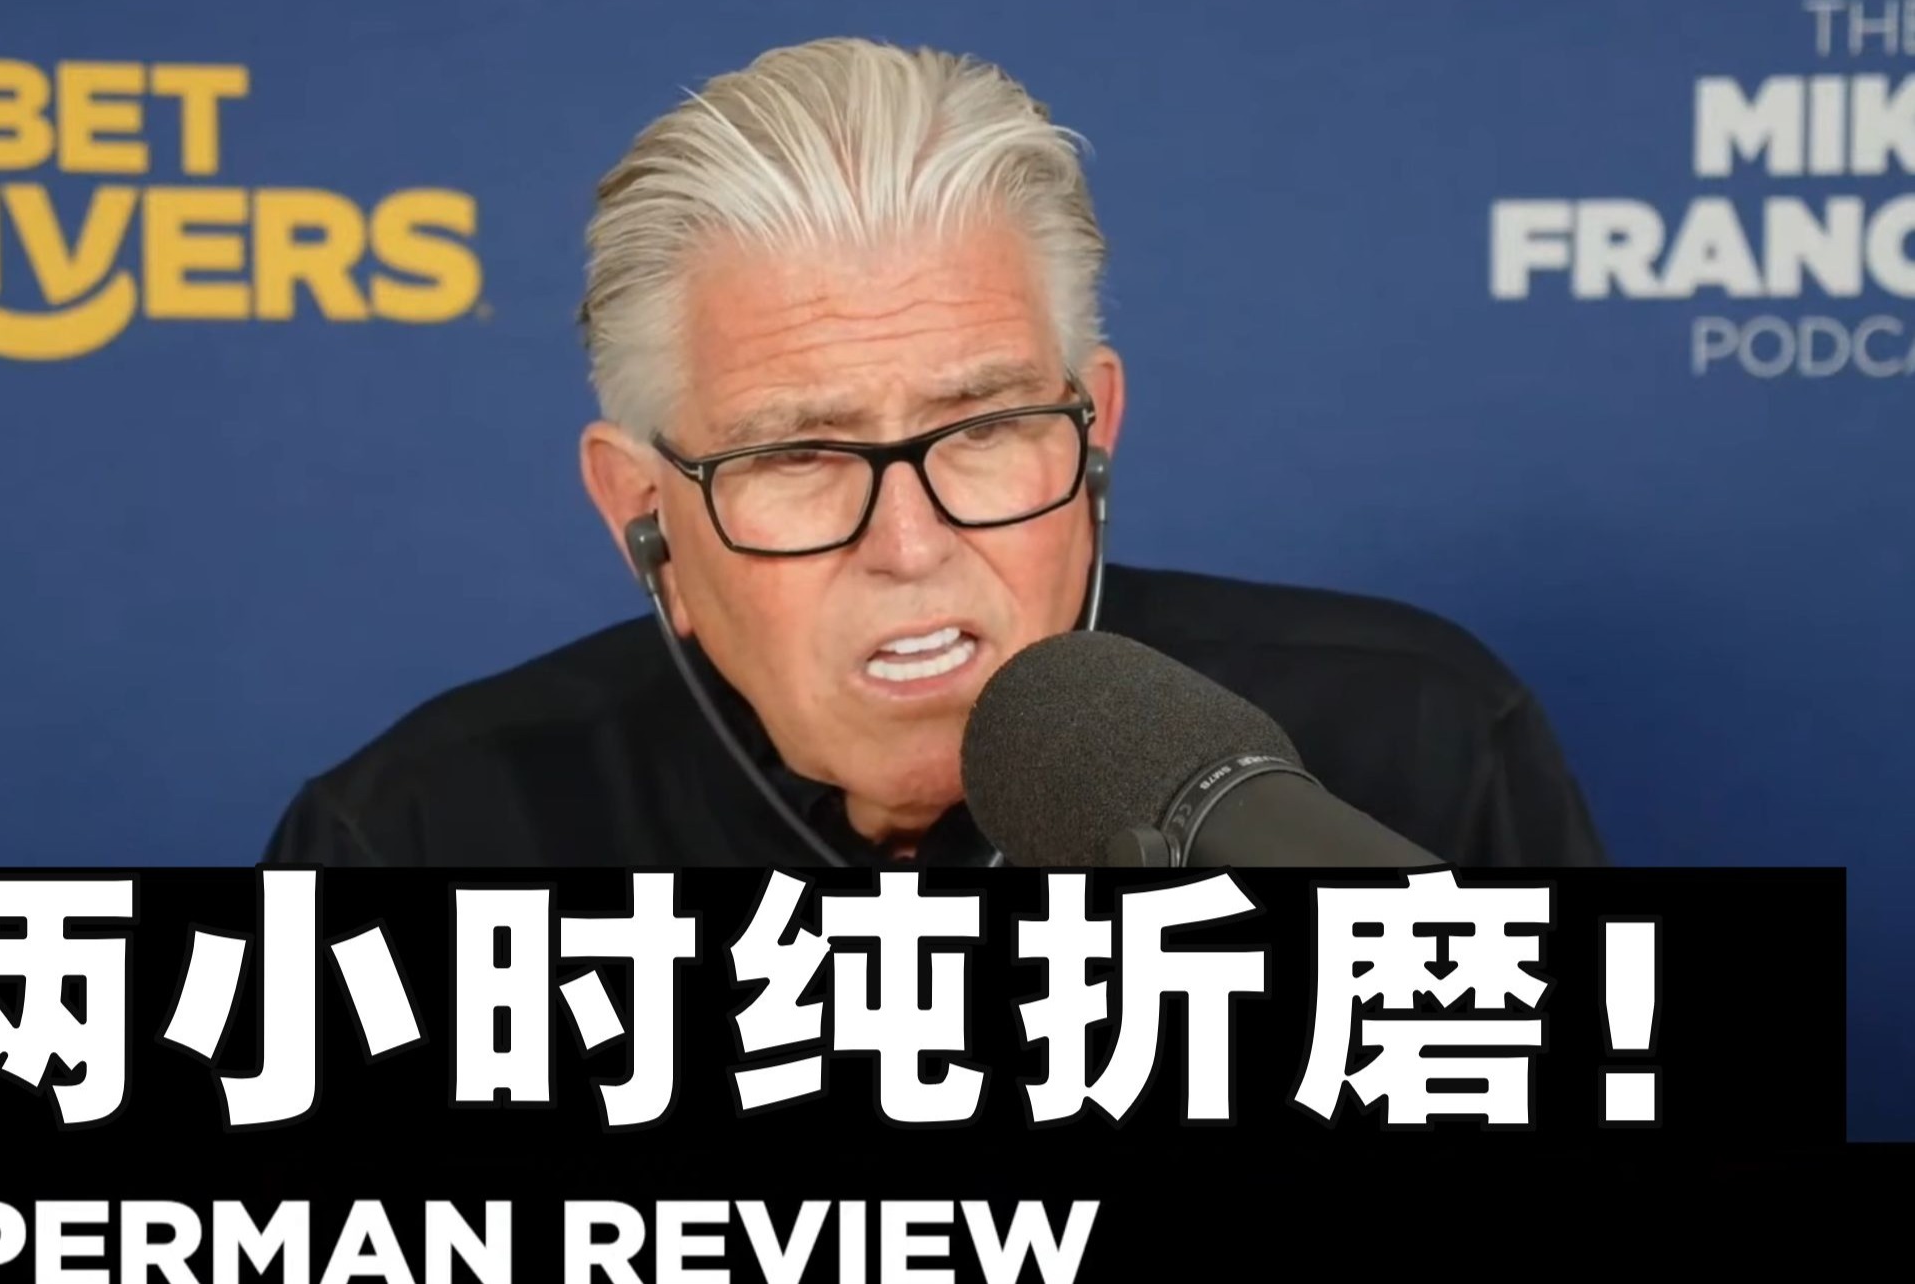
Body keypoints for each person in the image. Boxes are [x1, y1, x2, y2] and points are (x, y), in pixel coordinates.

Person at [260, 37, 1608, 870]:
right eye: (798, 456)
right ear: (642, 517)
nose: (910, 546)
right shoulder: (416, 841)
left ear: (1095, 433)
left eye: (986, 430)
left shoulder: (1417, 749)